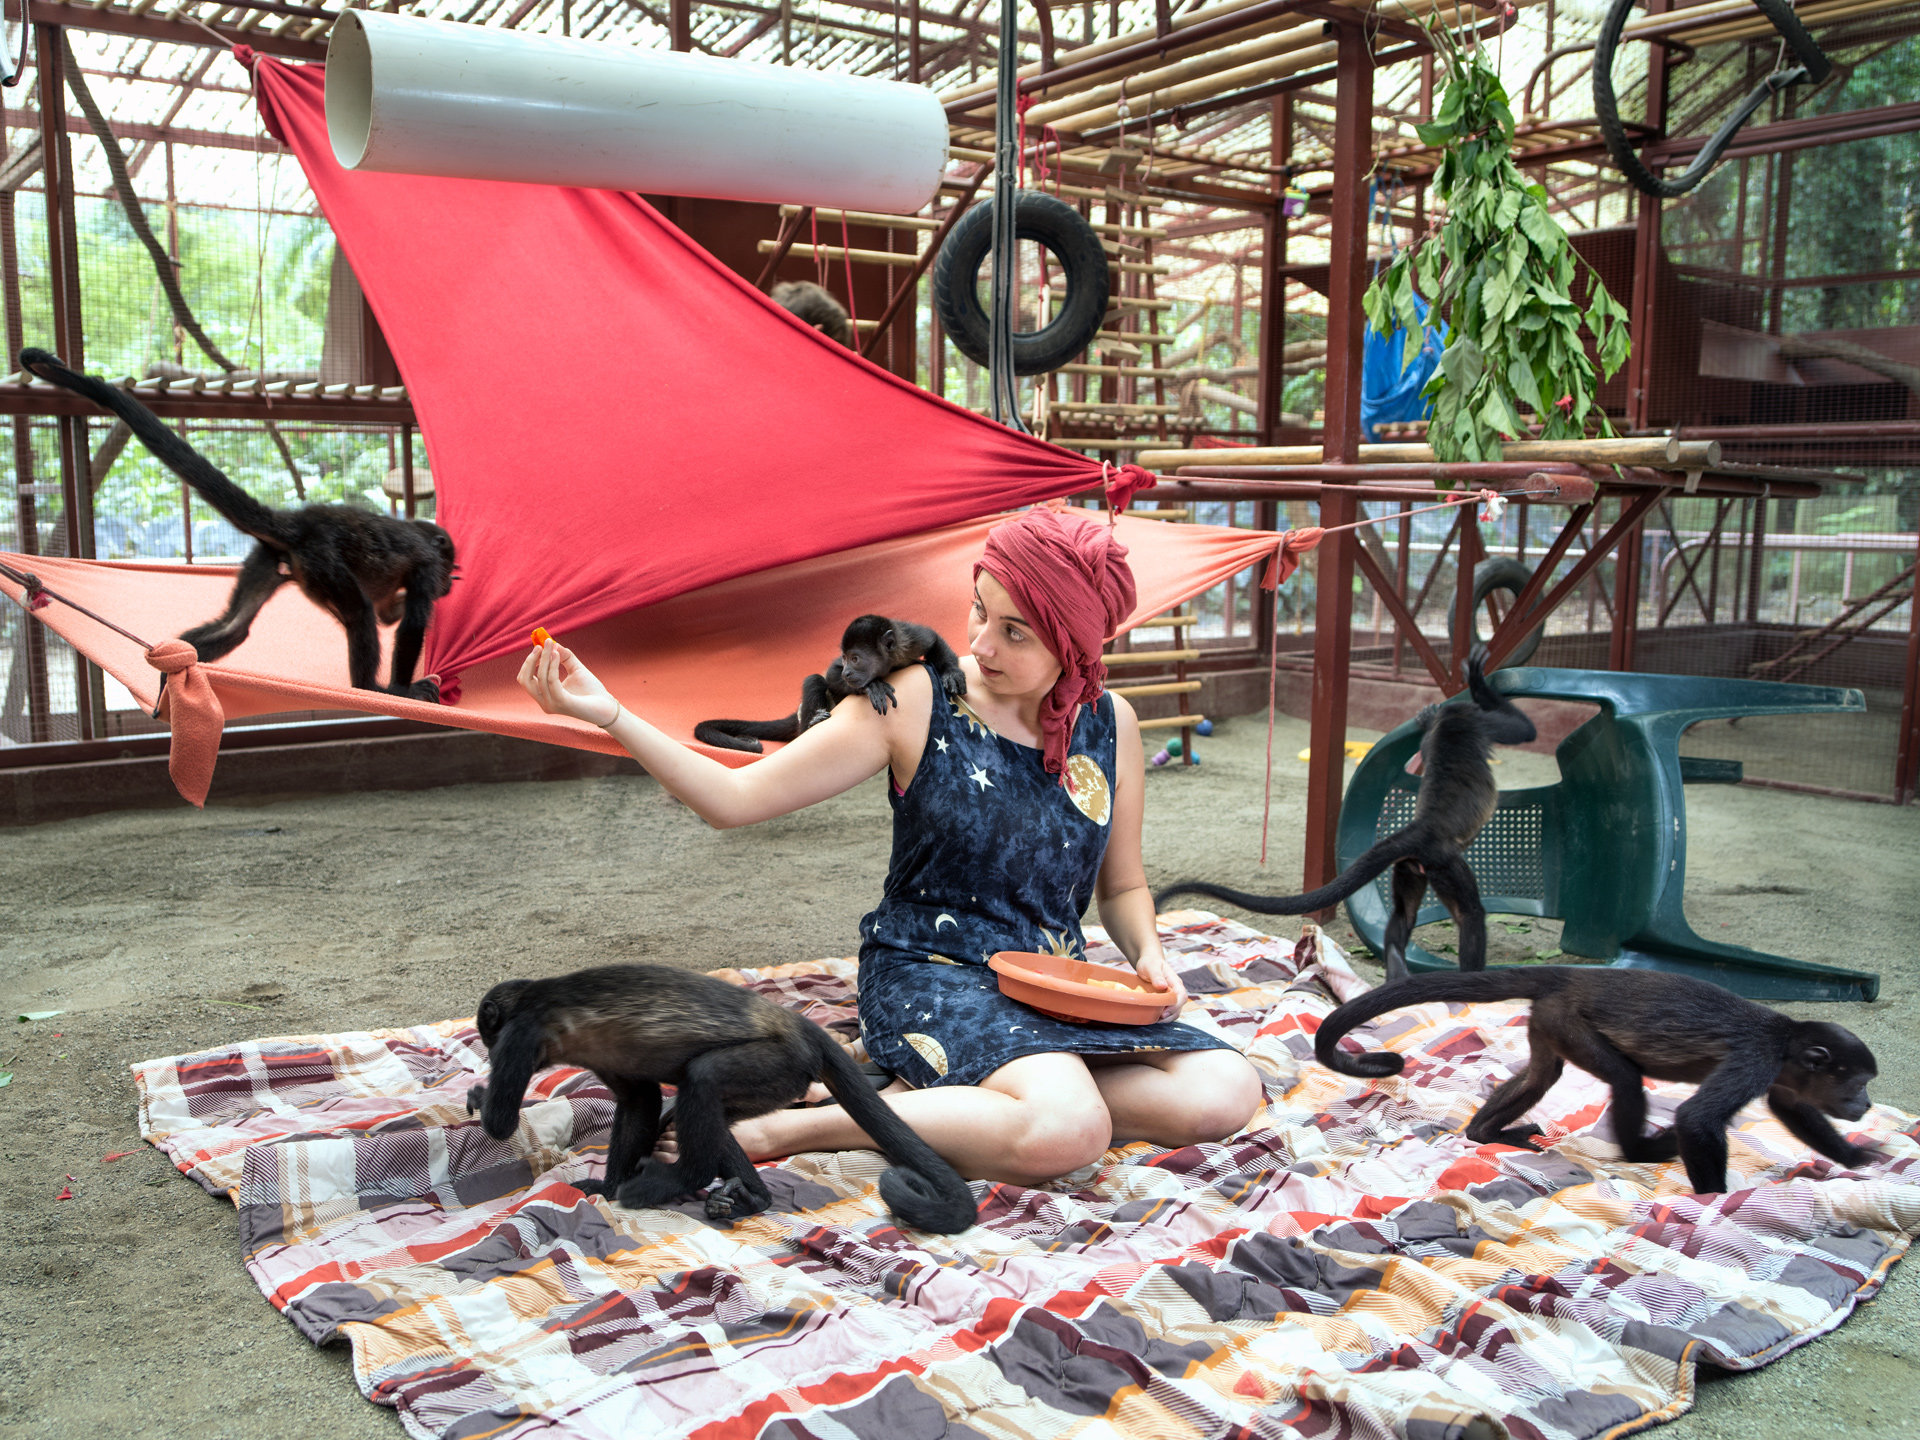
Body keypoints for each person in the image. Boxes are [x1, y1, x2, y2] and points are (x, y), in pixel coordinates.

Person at [517, 505, 1264, 1186]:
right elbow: (733, 800)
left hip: (1052, 984)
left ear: (1074, 643)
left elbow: (1124, 887)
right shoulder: (915, 699)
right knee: (1068, 1131)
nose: (977, 642)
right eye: (979, 611)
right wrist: (609, 712)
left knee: (1226, 1089)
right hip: (931, 972)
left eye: (1015, 632)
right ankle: (801, 1127)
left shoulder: (1113, 725)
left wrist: (1148, 956)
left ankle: (971, 1092)